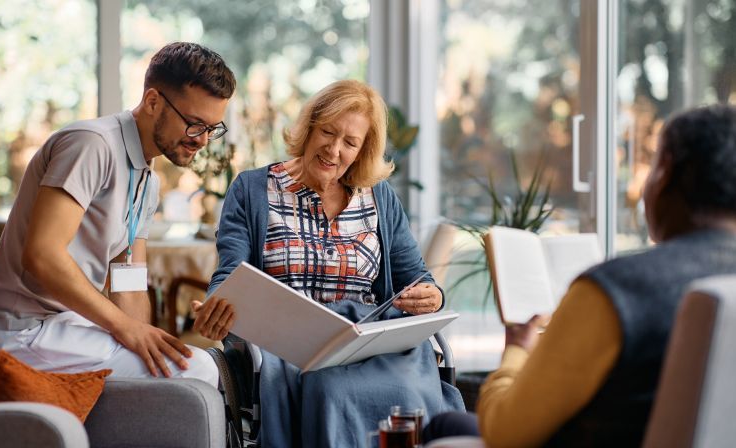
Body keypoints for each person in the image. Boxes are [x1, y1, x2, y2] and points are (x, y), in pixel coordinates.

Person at [423, 104, 736, 447]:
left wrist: (515, 349)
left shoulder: (619, 290)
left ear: (665, 173)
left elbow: (506, 432)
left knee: (443, 425)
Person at [192, 79, 465, 447]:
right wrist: (218, 305)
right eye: (328, 132)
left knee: (399, 389)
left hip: (371, 343)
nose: (334, 150)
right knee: (329, 389)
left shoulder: (379, 196)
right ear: (309, 127)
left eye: (350, 143)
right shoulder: (253, 189)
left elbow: (417, 278)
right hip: (292, 345)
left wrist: (431, 296)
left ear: (362, 150)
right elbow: (230, 273)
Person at [0, 42, 236, 386]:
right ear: (152, 102)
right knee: (200, 371)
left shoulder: (147, 181)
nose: (203, 141)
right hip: (25, 331)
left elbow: (128, 280)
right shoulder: (91, 145)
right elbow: (42, 255)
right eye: (194, 124)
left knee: (192, 362)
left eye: (212, 129)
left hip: (70, 326)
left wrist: (145, 338)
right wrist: (125, 329)